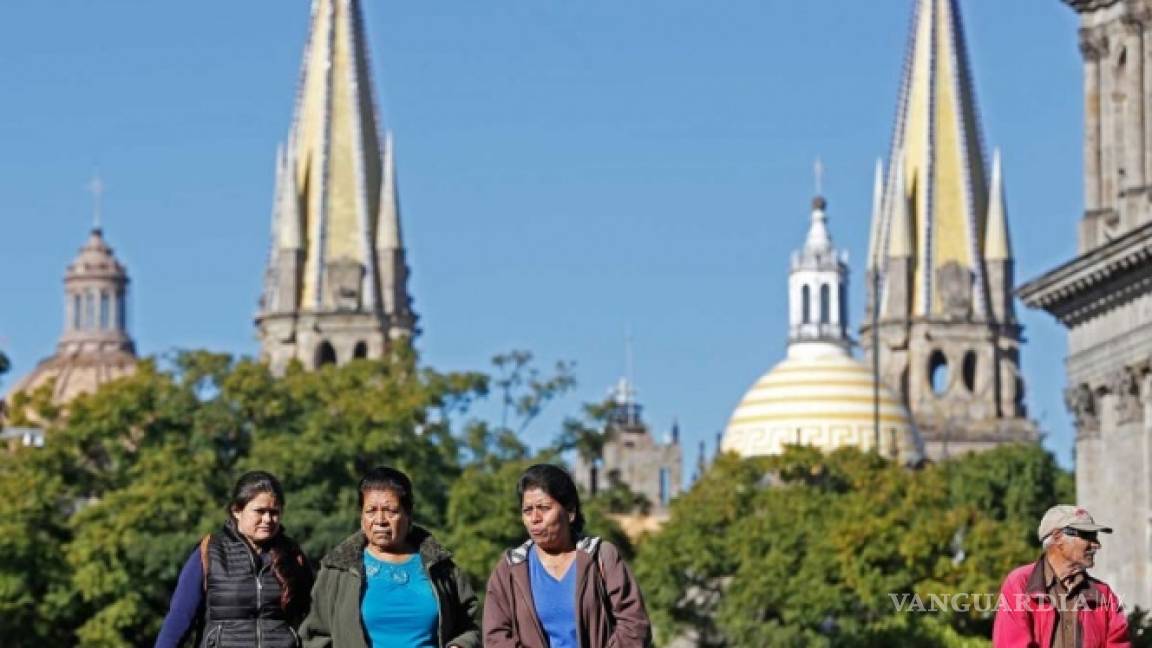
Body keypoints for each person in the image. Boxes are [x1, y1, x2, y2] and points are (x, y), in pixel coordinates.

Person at [299, 466, 479, 648]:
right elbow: (315, 635)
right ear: (361, 516)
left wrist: (460, 645)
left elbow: (470, 625)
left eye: (390, 511)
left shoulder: (440, 568)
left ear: (408, 514)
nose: (380, 520)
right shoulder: (338, 571)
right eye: (371, 511)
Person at [483, 463, 651, 648]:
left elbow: (634, 626)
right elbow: (496, 636)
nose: (535, 518)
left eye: (544, 508)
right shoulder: (509, 570)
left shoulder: (601, 558)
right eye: (527, 510)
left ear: (570, 512)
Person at [155, 470, 313, 648]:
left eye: (274, 512)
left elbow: (314, 617)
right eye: (260, 511)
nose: (268, 519)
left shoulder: (293, 554)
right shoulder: (209, 552)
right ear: (237, 510)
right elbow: (179, 619)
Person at [992, 504, 1129, 647]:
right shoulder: (1020, 583)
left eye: (1095, 537)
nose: (1096, 545)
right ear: (1058, 537)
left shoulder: (1104, 594)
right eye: (1087, 536)